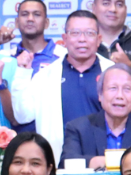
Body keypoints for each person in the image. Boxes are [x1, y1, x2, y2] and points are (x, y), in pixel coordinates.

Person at [12, 10, 114, 153]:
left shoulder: (114, 73)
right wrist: (22, 74)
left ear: (99, 39)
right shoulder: (45, 76)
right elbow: (23, 117)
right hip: (59, 158)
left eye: (89, 33)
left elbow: (129, 118)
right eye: (75, 33)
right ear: (64, 39)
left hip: (105, 159)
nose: (82, 39)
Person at [62, 64, 131, 168]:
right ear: (100, 94)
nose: (120, 96)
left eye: (127, 89)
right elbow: (66, 163)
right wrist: (95, 162)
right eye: (113, 88)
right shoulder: (78, 128)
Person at [10, 0, 65, 80]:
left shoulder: (63, 55)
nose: (30, 19)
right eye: (25, 14)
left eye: (37, 14)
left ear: (46, 23)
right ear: (17, 22)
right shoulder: (8, 57)